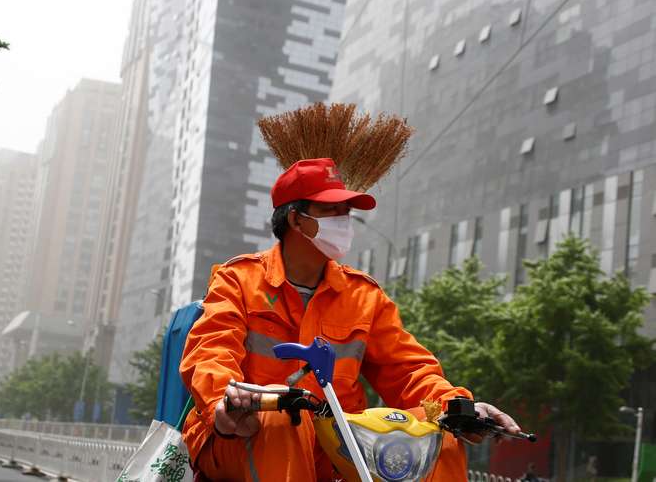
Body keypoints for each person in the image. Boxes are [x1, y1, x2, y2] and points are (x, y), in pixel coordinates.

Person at [179, 158, 522, 481]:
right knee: (283, 418)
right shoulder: (238, 279)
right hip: (241, 432)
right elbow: (211, 352)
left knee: (440, 433)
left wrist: (459, 408)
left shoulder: (364, 296)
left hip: (335, 444)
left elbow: (408, 371)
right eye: (331, 211)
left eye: (346, 212)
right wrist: (223, 403)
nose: (343, 221)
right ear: (296, 220)